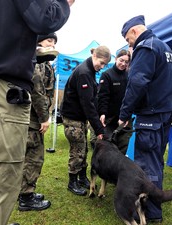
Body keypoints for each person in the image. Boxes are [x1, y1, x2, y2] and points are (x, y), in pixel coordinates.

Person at [0, 0, 71, 224]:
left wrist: (31, 54)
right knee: (2, 174)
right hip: (7, 89)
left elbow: (2, 35)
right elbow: (46, 18)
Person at [118, 15, 172, 223]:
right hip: (165, 113)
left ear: (134, 31)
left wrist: (124, 114)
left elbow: (136, 83)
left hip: (150, 116)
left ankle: (151, 213)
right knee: (157, 160)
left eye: (128, 39)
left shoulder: (145, 47)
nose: (129, 43)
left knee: (146, 166)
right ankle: (153, 208)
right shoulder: (165, 48)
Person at [60, 46, 111, 196]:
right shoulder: (84, 73)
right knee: (77, 150)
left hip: (80, 118)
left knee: (83, 149)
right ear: (94, 55)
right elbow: (87, 105)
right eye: (101, 63)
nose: (101, 67)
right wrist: (99, 129)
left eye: (104, 65)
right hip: (73, 118)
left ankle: (82, 178)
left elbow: (92, 99)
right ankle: (72, 182)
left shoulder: (90, 71)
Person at [18, 33, 58, 212]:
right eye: (50, 40)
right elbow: (37, 91)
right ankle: (26, 197)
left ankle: (25, 192)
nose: (52, 44)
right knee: (34, 158)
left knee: (31, 157)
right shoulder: (36, 60)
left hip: (33, 118)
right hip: (33, 119)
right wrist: (44, 118)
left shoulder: (44, 62)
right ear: (39, 40)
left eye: (55, 42)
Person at [97, 49, 132, 155]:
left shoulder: (129, 76)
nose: (123, 64)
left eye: (126, 62)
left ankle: (118, 169)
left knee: (123, 145)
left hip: (125, 117)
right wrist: (102, 113)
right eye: (121, 60)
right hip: (110, 118)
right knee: (107, 146)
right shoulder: (107, 75)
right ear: (116, 59)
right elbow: (103, 96)